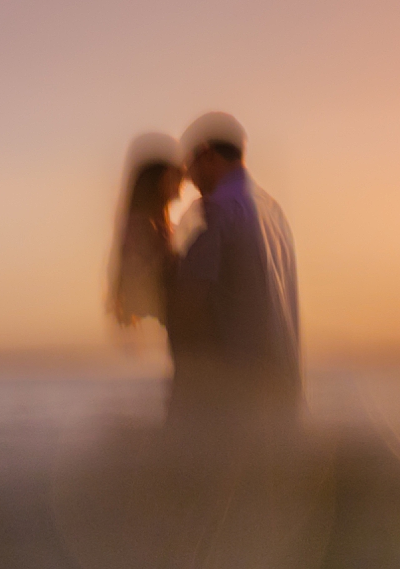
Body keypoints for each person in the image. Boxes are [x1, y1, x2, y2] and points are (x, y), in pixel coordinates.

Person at [167, 112, 301, 426]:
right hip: (279, 392)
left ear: (207, 154)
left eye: (189, 167)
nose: (189, 180)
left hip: (233, 398)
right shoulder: (272, 211)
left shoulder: (217, 213)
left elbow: (190, 300)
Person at [106, 133, 183, 329]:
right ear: (159, 180)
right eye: (177, 176)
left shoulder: (157, 225)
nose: (182, 185)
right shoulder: (141, 227)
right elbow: (147, 290)